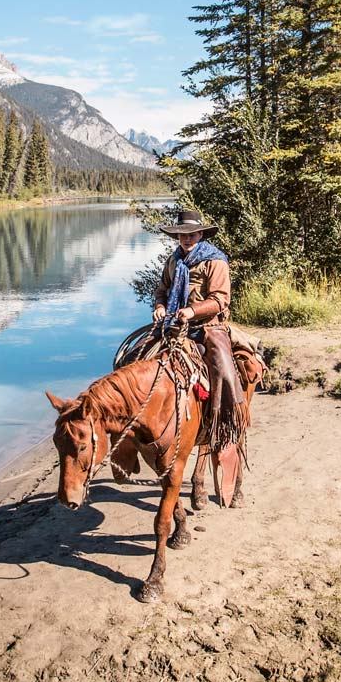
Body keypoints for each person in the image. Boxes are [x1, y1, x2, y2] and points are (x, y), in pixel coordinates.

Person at [152, 209, 243, 498]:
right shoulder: (173, 260)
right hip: (173, 325)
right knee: (137, 356)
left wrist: (192, 311)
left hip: (207, 327)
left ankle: (229, 418)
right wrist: (160, 307)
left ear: (201, 234)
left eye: (191, 234)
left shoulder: (215, 261)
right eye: (182, 235)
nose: (187, 239)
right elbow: (162, 290)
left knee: (224, 368)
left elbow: (220, 299)